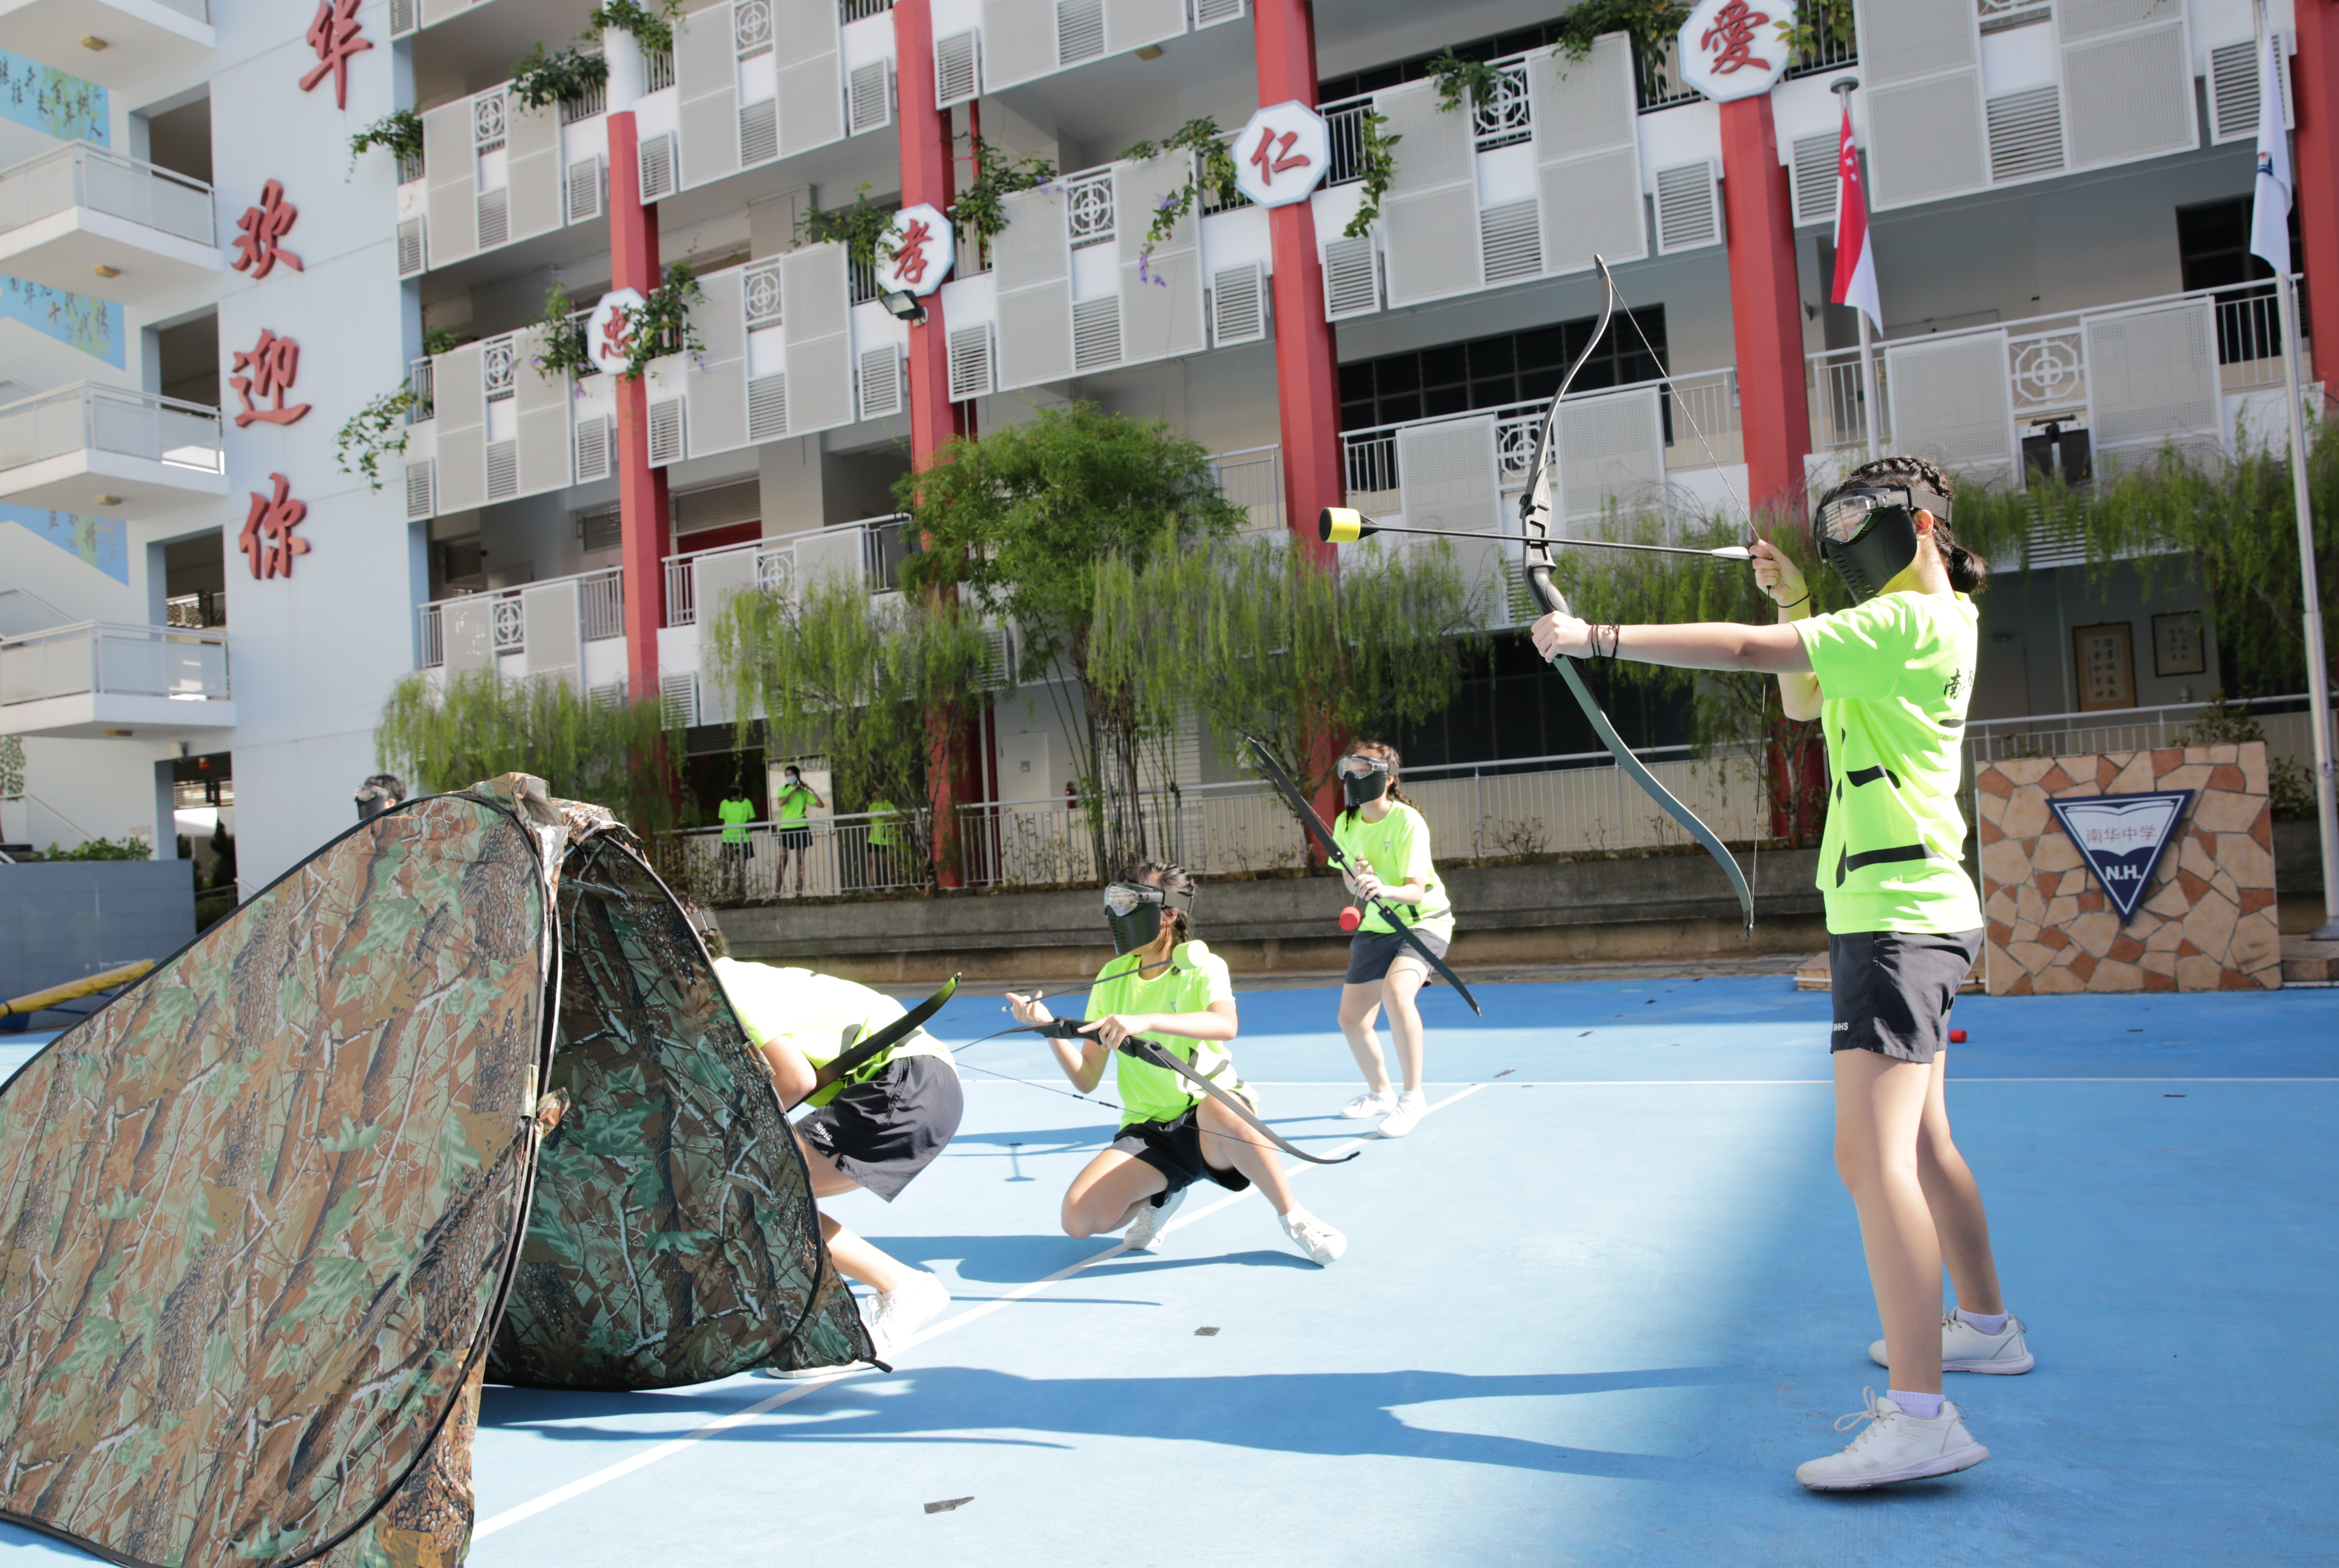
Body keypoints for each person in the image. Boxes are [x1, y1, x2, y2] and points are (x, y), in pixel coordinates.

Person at [1530, 454, 2026, 1491]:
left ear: (1923, 529)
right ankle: (1986, 1324)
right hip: (1915, 910)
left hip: (1894, 921)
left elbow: (1761, 653)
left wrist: (1596, 637)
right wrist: (1797, 594)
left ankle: (1923, 1419)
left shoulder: (1903, 621)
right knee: (1925, 1145)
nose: (1839, 536)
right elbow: (1806, 695)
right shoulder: (1934, 624)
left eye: (1854, 521)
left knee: (1870, 1157)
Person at [1005, 862, 1347, 1266]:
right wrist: (1047, 1027)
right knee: (1078, 1219)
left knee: (1222, 1107)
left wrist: (1146, 1020)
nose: (1118, 914)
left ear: (1169, 913)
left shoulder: (1204, 966)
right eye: (1114, 903)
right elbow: (1086, 1078)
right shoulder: (1112, 975)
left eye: (1130, 903)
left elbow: (1225, 1024)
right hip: (1150, 1130)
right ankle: (1163, 1194)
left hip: (1210, 1120)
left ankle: (1296, 1218)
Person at [688, 904, 962, 1366]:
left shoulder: (725, 985)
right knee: (757, 1195)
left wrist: (729, 1137)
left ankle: (902, 1286)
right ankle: (847, 1303)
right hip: (925, 1084)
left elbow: (795, 1078)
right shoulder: (741, 977)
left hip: (904, 1083)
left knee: (750, 1188)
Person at [1329, 742, 1454, 1139]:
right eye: (1350, 767)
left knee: (1398, 992)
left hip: (1423, 921)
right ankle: (1380, 1092)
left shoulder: (1407, 822)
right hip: (1376, 925)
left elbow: (1416, 891)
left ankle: (1413, 1097)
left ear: (1389, 778)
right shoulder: (1345, 823)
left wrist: (1383, 887)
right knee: (1351, 1018)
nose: (1355, 776)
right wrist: (1360, 879)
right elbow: (1349, 875)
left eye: (1365, 768)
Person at [772, 763, 823, 896]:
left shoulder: (804, 793)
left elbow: (820, 805)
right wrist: (793, 791)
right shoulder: (783, 790)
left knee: (800, 860)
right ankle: (777, 891)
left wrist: (810, 789)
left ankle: (799, 891)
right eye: (787, 776)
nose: (790, 778)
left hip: (801, 827)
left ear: (797, 775)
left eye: (792, 775)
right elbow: (781, 803)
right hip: (786, 827)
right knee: (784, 859)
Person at [717, 782, 755, 893]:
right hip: (728, 839)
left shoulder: (747, 803)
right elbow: (722, 820)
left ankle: (740, 891)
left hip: (744, 839)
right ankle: (724, 891)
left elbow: (752, 819)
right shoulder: (724, 804)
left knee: (741, 868)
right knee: (727, 867)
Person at [864, 796, 903, 888]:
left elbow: (897, 816)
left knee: (888, 863)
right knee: (872, 862)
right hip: (873, 838)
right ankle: (871, 887)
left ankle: (893, 885)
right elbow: (870, 820)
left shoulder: (888, 804)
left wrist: (885, 817)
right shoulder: (872, 806)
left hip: (886, 838)